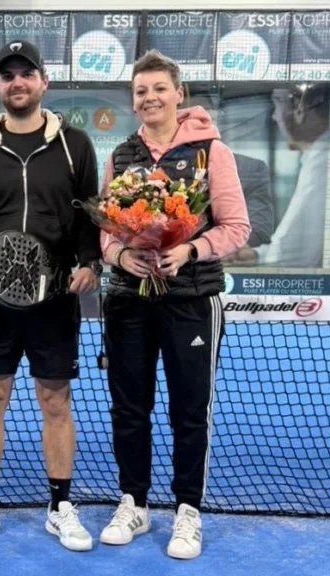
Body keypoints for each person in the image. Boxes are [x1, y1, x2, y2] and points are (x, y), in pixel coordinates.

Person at [0, 40, 102, 551]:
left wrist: (89, 262)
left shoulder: (75, 144)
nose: (17, 83)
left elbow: (87, 216)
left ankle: (60, 505)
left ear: (43, 82)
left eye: (26, 74)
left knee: (55, 401)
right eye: (8, 75)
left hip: (54, 298)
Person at [98, 50, 251, 559]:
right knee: (129, 408)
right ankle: (134, 503)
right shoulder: (121, 156)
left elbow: (236, 227)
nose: (150, 98)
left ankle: (188, 511)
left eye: (159, 89)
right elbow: (104, 231)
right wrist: (122, 256)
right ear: (133, 99)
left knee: (189, 410)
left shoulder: (212, 151)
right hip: (128, 301)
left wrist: (189, 249)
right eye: (141, 91)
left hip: (192, 300)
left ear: (178, 94)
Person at [236, 85, 330, 268]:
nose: (274, 117)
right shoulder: (319, 153)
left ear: (299, 110)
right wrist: (256, 255)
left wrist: (259, 257)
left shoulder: (324, 155)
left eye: (277, 106)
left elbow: (298, 250)